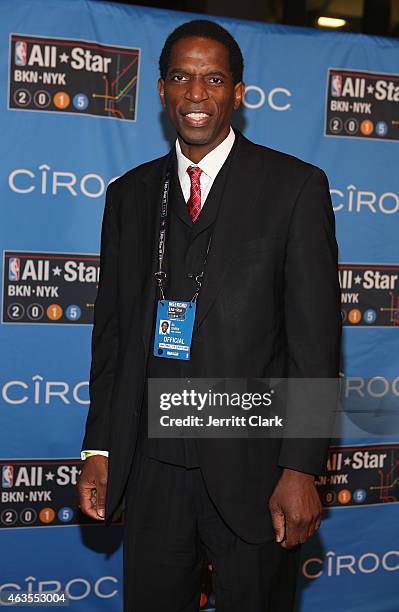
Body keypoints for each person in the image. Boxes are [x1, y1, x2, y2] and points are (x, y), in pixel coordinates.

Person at [78, 19, 341, 612]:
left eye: (213, 79)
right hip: (152, 469)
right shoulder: (131, 195)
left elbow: (315, 343)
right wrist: (99, 449)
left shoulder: (294, 187)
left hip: (253, 468)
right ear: (162, 90)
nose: (196, 93)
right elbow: (112, 335)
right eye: (181, 78)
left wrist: (301, 467)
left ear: (239, 93)